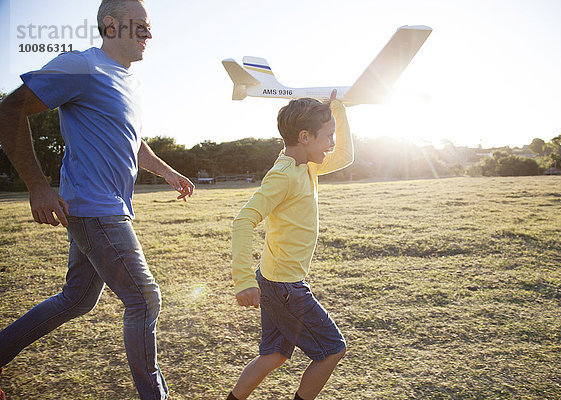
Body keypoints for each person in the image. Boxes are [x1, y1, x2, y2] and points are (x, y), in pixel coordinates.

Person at [0, 1, 194, 398]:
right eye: (140, 25)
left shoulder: (129, 81)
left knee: (76, 299)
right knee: (144, 300)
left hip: (101, 209)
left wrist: (169, 172)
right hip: (94, 209)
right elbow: (10, 109)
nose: (149, 34)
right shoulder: (81, 65)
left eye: (149, 26)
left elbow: (133, 143)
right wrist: (38, 185)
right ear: (111, 24)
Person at [228, 90, 353, 400]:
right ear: (305, 137)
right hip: (284, 287)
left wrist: (337, 108)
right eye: (328, 136)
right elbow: (243, 221)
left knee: (275, 356)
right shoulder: (283, 175)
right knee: (332, 350)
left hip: (274, 280)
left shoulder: (307, 164)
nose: (332, 143)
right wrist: (243, 281)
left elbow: (345, 156)